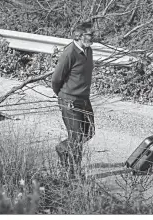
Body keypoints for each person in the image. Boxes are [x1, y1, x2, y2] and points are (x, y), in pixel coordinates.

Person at [51, 21, 95, 179]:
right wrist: (63, 97)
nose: (93, 37)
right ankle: (74, 173)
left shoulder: (88, 50)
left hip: (84, 98)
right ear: (79, 36)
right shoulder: (69, 52)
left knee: (89, 132)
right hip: (70, 100)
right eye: (90, 34)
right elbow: (56, 79)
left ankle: (63, 148)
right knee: (76, 137)